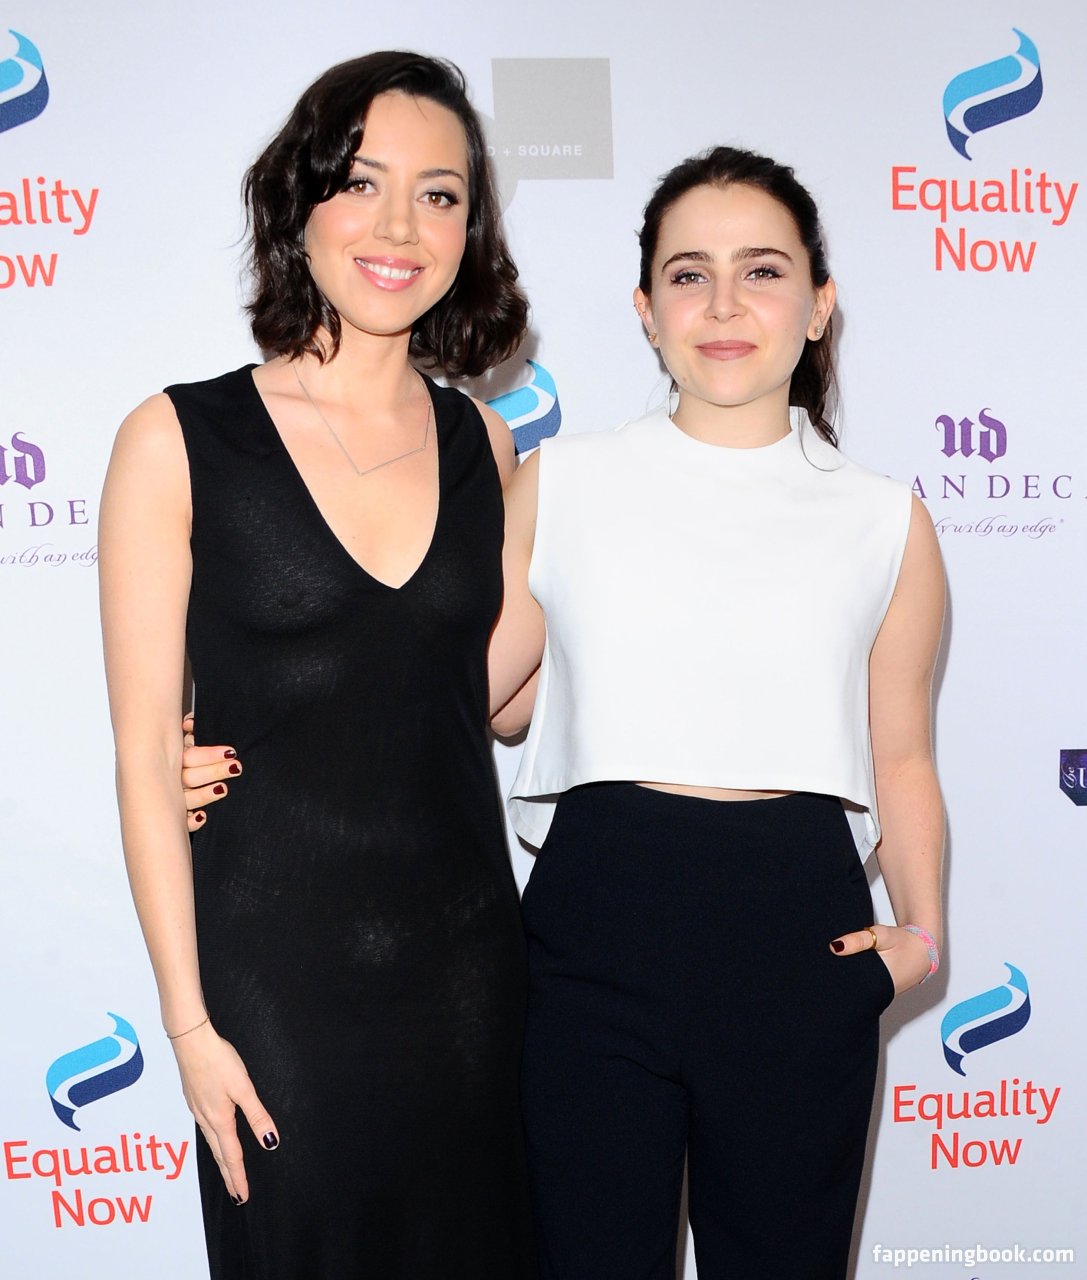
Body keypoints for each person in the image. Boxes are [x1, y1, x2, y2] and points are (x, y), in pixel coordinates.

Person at [185, 145, 945, 1279]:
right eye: (687, 274)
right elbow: (449, 692)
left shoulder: (886, 519)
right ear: (644, 310)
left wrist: (920, 938)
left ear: (819, 302)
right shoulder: (563, 481)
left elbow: (903, 754)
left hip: (798, 939)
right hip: (590, 935)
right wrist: (224, 740)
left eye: (762, 270)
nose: (723, 304)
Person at [100, 52, 537, 1280]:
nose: (400, 227)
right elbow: (142, 755)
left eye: (439, 195)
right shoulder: (177, 438)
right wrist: (190, 1025)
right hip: (274, 986)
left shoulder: (485, 442)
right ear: (300, 203)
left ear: (469, 229)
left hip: (470, 975)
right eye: (361, 182)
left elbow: (494, 703)